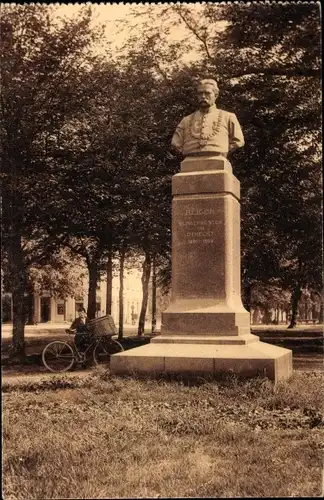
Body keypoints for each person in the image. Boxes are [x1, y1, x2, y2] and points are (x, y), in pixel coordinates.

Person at [171, 78, 244, 158]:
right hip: (189, 160)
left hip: (218, 159)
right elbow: (176, 144)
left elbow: (238, 141)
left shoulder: (228, 117)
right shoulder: (185, 121)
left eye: (207, 93)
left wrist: (225, 151)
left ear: (215, 95)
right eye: (200, 93)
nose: (203, 96)